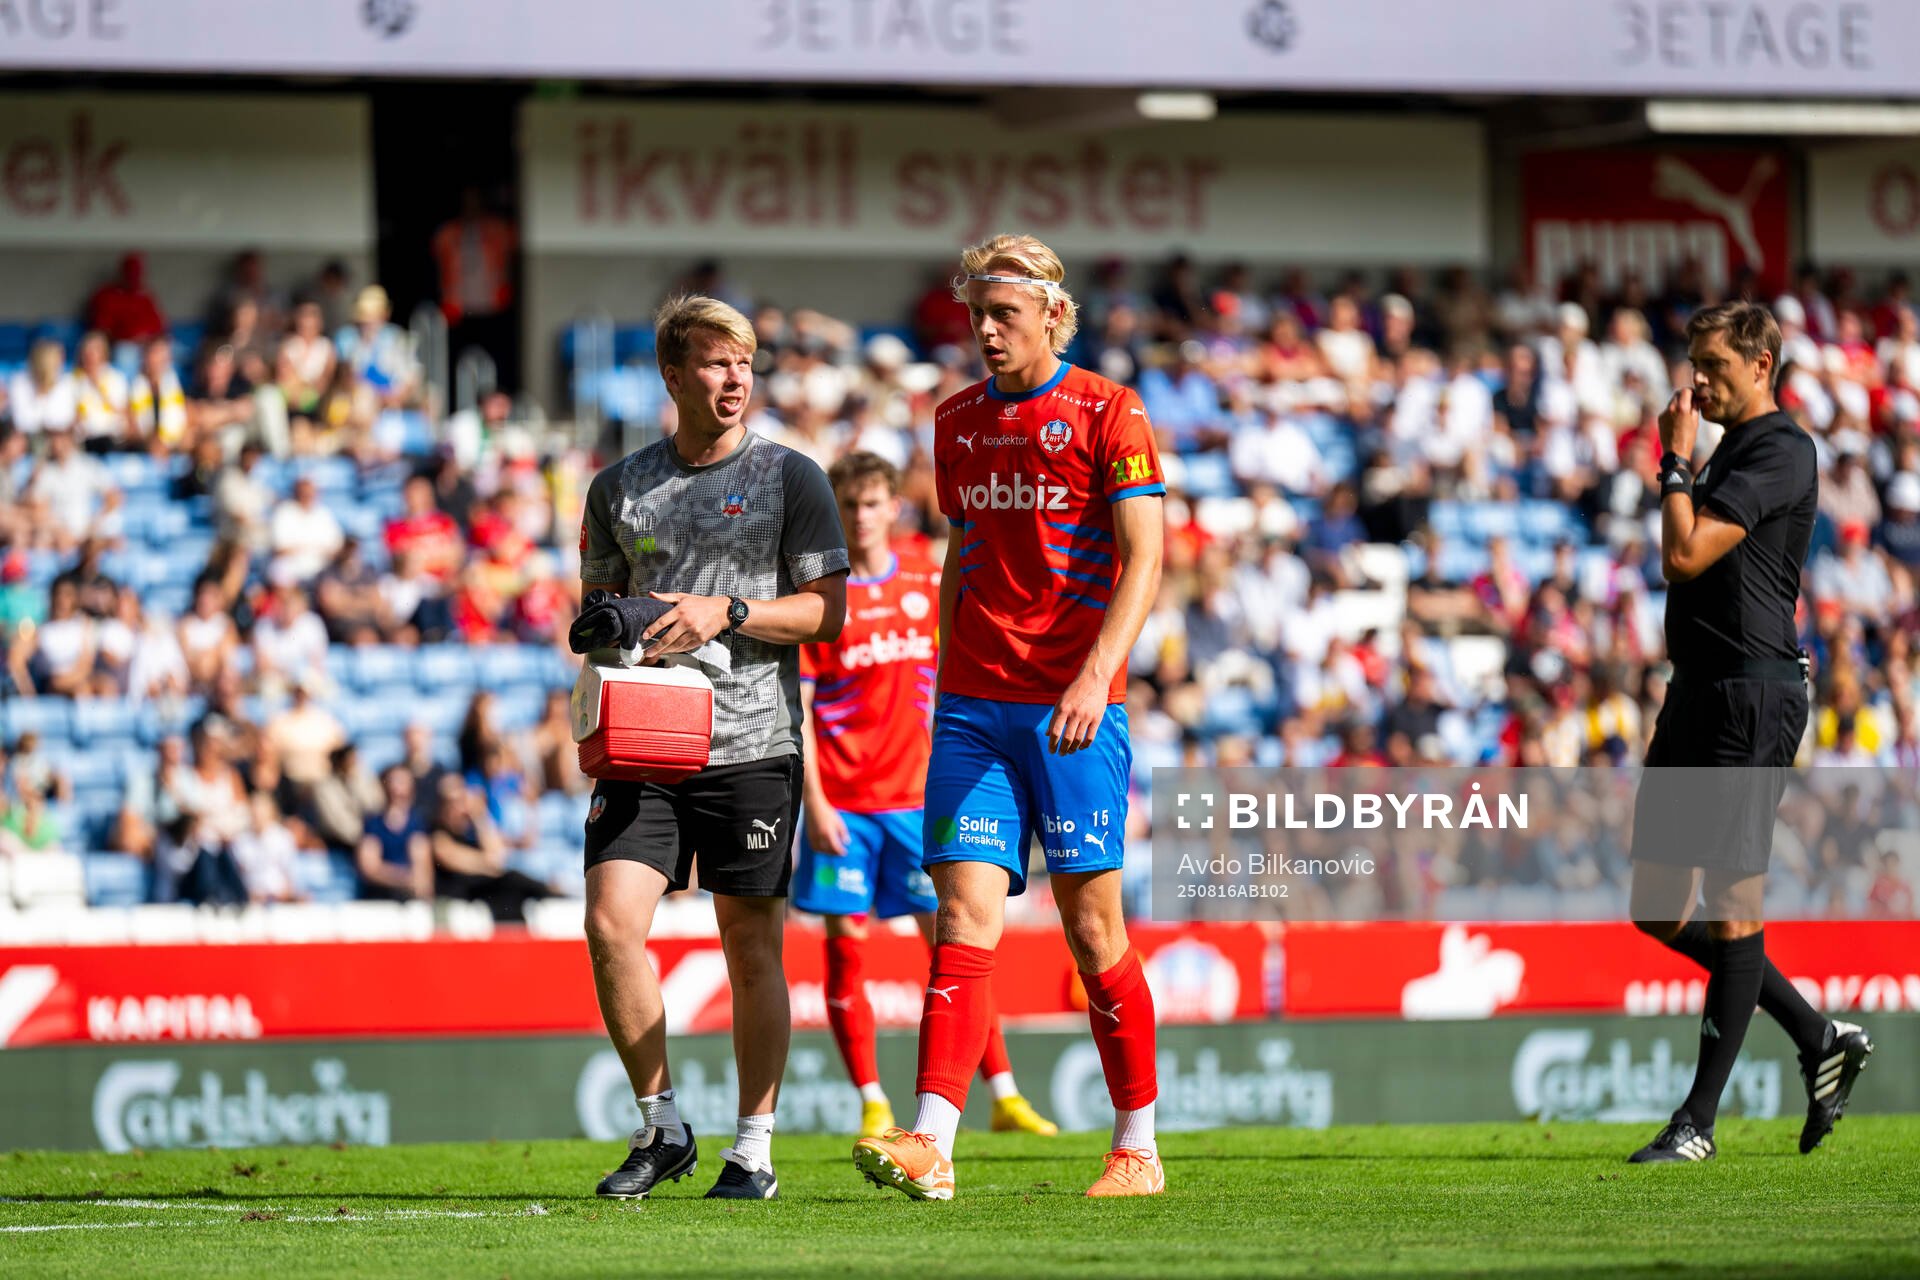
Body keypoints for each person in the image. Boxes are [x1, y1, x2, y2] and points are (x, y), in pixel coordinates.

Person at [851, 234, 1166, 1201]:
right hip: (975, 710)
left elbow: (1146, 557)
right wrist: (946, 682)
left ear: (1051, 318)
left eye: (1004, 316)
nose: (985, 332)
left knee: (1092, 929)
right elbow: (966, 551)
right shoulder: (953, 423)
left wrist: (1096, 674)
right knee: (961, 913)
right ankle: (933, 1140)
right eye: (976, 316)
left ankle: (1138, 1145)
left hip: (1076, 709)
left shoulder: (1111, 412)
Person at [578, 293, 848, 1202]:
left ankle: (755, 1148)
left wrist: (725, 611)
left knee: (751, 948)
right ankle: (663, 1129)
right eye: (715, 362)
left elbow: (824, 615)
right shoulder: (618, 487)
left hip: (753, 743)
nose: (735, 379)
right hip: (645, 744)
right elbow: (601, 610)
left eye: (745, 363)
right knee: (611, 924)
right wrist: (619, 627)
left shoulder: (793, 477)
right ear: (672, 373)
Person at [1627, 301, 1874, 1165]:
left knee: (1735, 910)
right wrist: (1687, 465)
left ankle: (1696, 1123)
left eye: (1713, 365)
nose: (1697, 379)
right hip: (1696, 691)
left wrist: (1673, 463)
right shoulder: (1733, 448)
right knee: (1655, 907)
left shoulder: (1780, 448)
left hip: (1751, 696)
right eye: (1693, 362)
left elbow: (1685, 554)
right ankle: (1818, 1036)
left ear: (1761, 364)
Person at [793, 451, 1056, 1141]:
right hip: (846, 805)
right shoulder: (823, 592)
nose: (861, 516)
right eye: (849, 506)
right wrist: (814, 804)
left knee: (954, 945)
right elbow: (799, 708)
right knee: (846, 948)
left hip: (917, 800)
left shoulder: (924, 569)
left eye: (873, 503)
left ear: (892, 507)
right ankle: (873, 1100)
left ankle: (1004, 1093)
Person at [358, 764, 435, 902]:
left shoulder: (417, 823)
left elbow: (422, 870)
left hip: (410, 900)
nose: (396, 788)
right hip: (378, 900)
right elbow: (369, 868)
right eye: (392, 781)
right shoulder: (373, 823)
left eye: (402, 782)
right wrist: (404, 878)